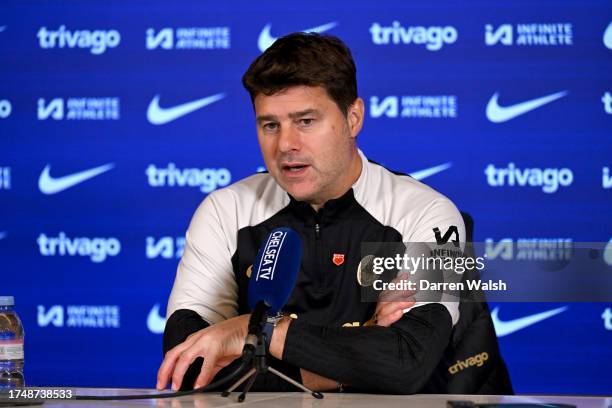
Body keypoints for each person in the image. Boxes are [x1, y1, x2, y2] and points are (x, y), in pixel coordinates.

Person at [157, 33, 513, 394]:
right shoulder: (224, 211)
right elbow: (189, 369)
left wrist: (255, 331)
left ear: (353, 117)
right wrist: (365, 352)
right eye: (270, 125)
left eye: (306, 121)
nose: (286, 145)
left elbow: (406, 364)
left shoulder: (428, 214)